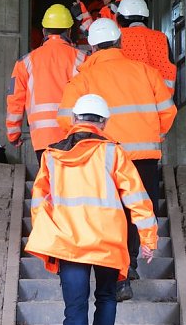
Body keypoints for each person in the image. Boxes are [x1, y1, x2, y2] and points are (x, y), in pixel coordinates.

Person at [57, 18, 176, 302]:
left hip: (103, 156)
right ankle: (130, 264)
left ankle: (116, 275)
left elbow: (64, 119)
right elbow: (168, 112)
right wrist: (150, 132)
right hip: (144, 156)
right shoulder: (146, 72)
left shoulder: (83, 78)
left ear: (93, 46)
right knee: (139, 211)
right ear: (120, 43)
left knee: (111, 214)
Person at [25, 94, 157, 325]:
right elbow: (137, 198)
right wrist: (148, 239)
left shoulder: (51, 155)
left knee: (75, 307)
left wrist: (49, 238)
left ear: (74, 118)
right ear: (104, 123)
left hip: (69, 243)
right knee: (106, 298)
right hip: (107, 243)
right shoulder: (113, 153)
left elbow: (38, 204)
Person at [5, 4, 87, 163]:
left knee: (48, 182)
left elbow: (15, 100)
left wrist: (13, 134)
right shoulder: (83, 59)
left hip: (43, 137)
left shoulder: (25, 62)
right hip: (75, 135)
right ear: (69, 31)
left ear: (44, 31)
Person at [116, 0, 177, 97]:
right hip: (161, 103)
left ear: (120, 18)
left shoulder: (118, 37)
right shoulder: (161, 38)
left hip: (127, 100)